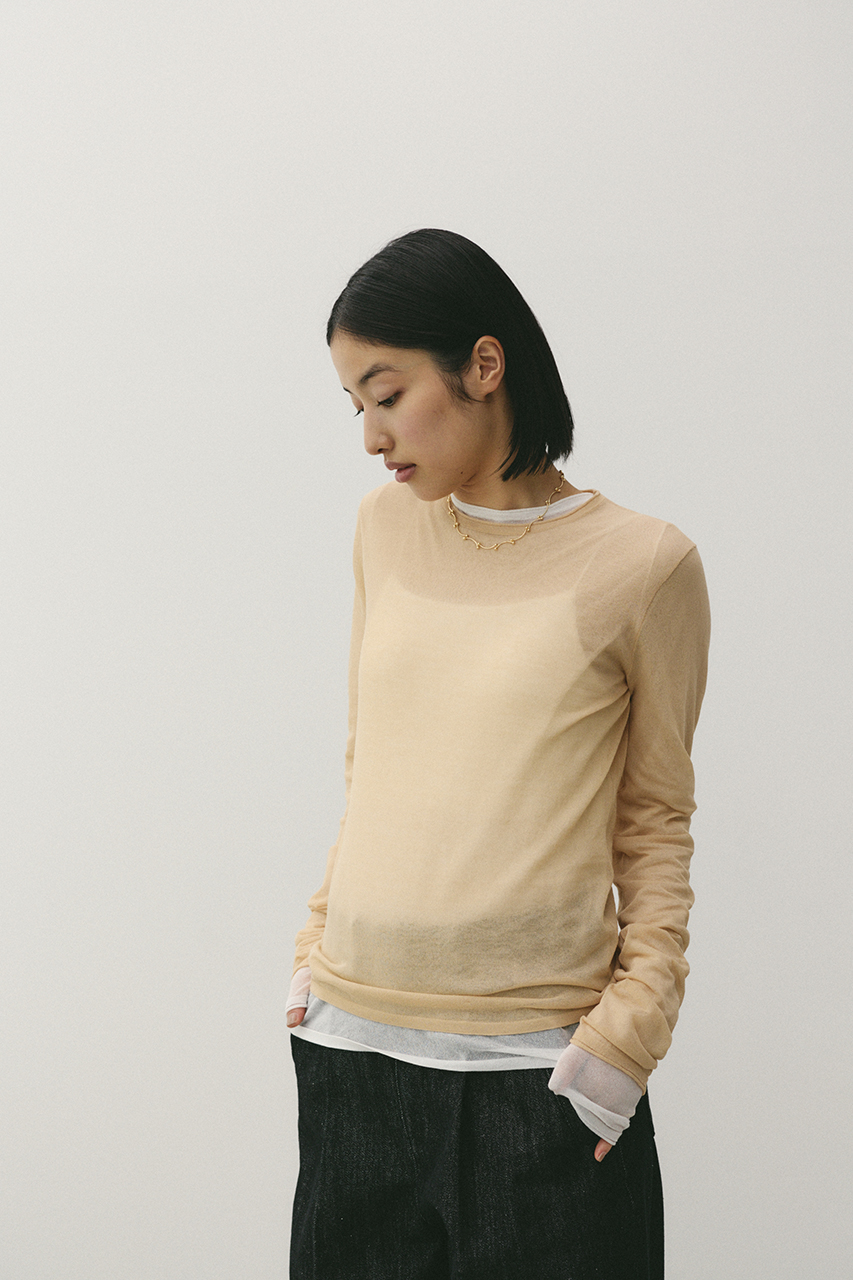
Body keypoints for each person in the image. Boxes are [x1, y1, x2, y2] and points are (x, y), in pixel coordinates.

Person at [286, 228, 710, 1279]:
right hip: (351, 1049)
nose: (372, 436)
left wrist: (629, 1034)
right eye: (355, 406)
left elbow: (655, 818)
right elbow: (372, 764)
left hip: (542, 1076)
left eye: (388, 394)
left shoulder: (643, 565)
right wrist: (315, 946)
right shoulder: (383, 530)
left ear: (484, 364)